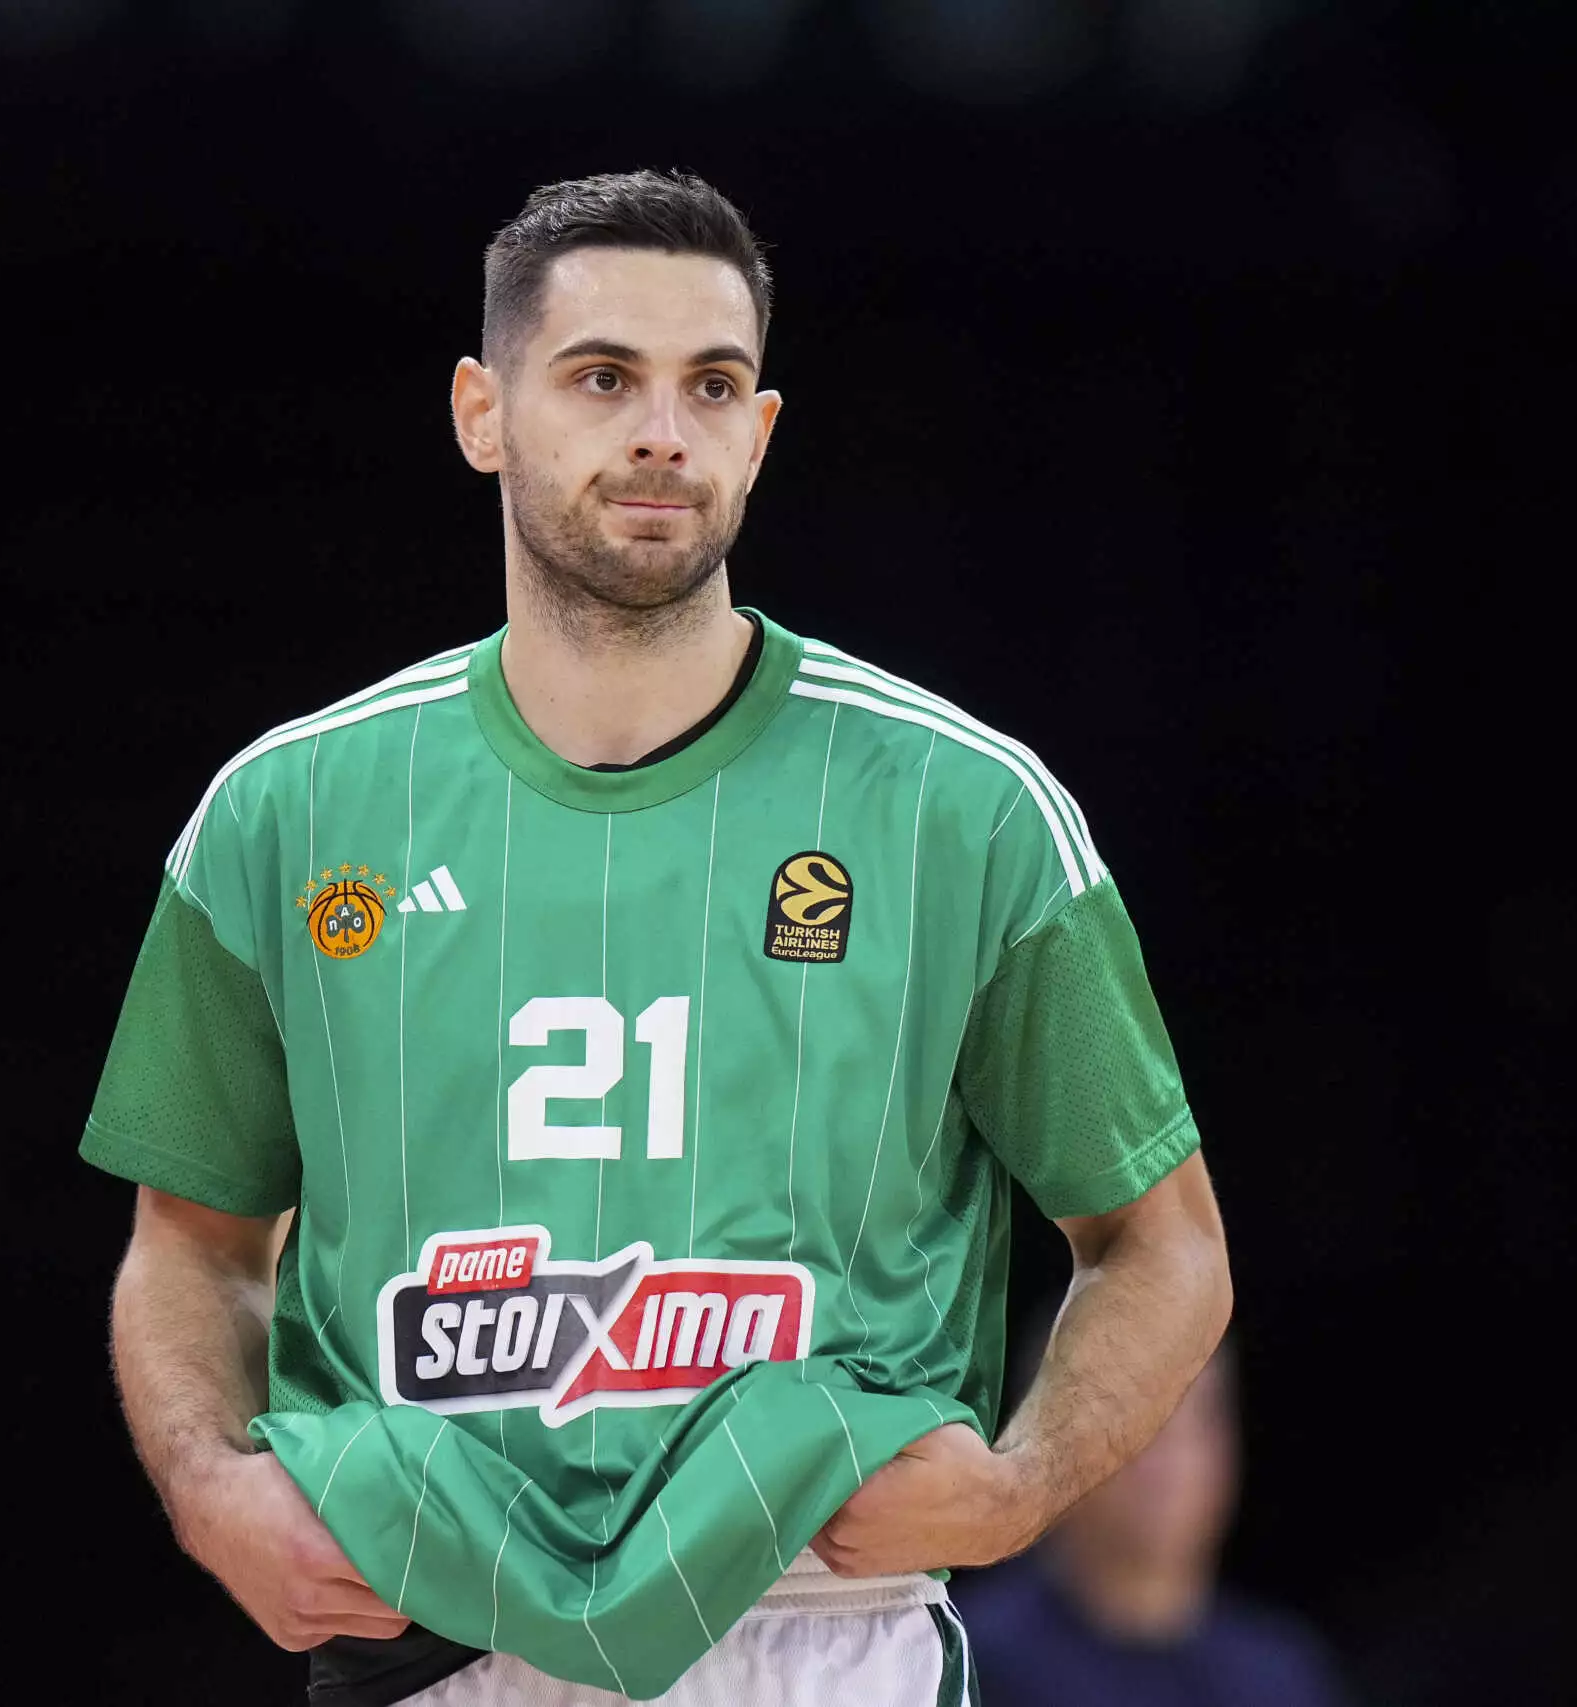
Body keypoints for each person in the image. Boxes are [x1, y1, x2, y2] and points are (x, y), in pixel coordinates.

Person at [81, 168, 1232, 1705]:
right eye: (603, 377)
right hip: (431, 1623)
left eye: (713, 385)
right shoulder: (286, 810)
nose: (664, 432)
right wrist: (211, 1490)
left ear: (761, 433)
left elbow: (1165, 1243)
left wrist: (1019, 1486)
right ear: (482, 413)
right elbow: (192, 1242)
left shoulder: (962, 807)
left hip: (821, 1623)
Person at [953, 1332, 1354, 1706]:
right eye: (1132, 1422)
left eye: (1199, 1419)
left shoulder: (1281, 1679)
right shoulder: (969, 1666)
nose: (1169, 1463)